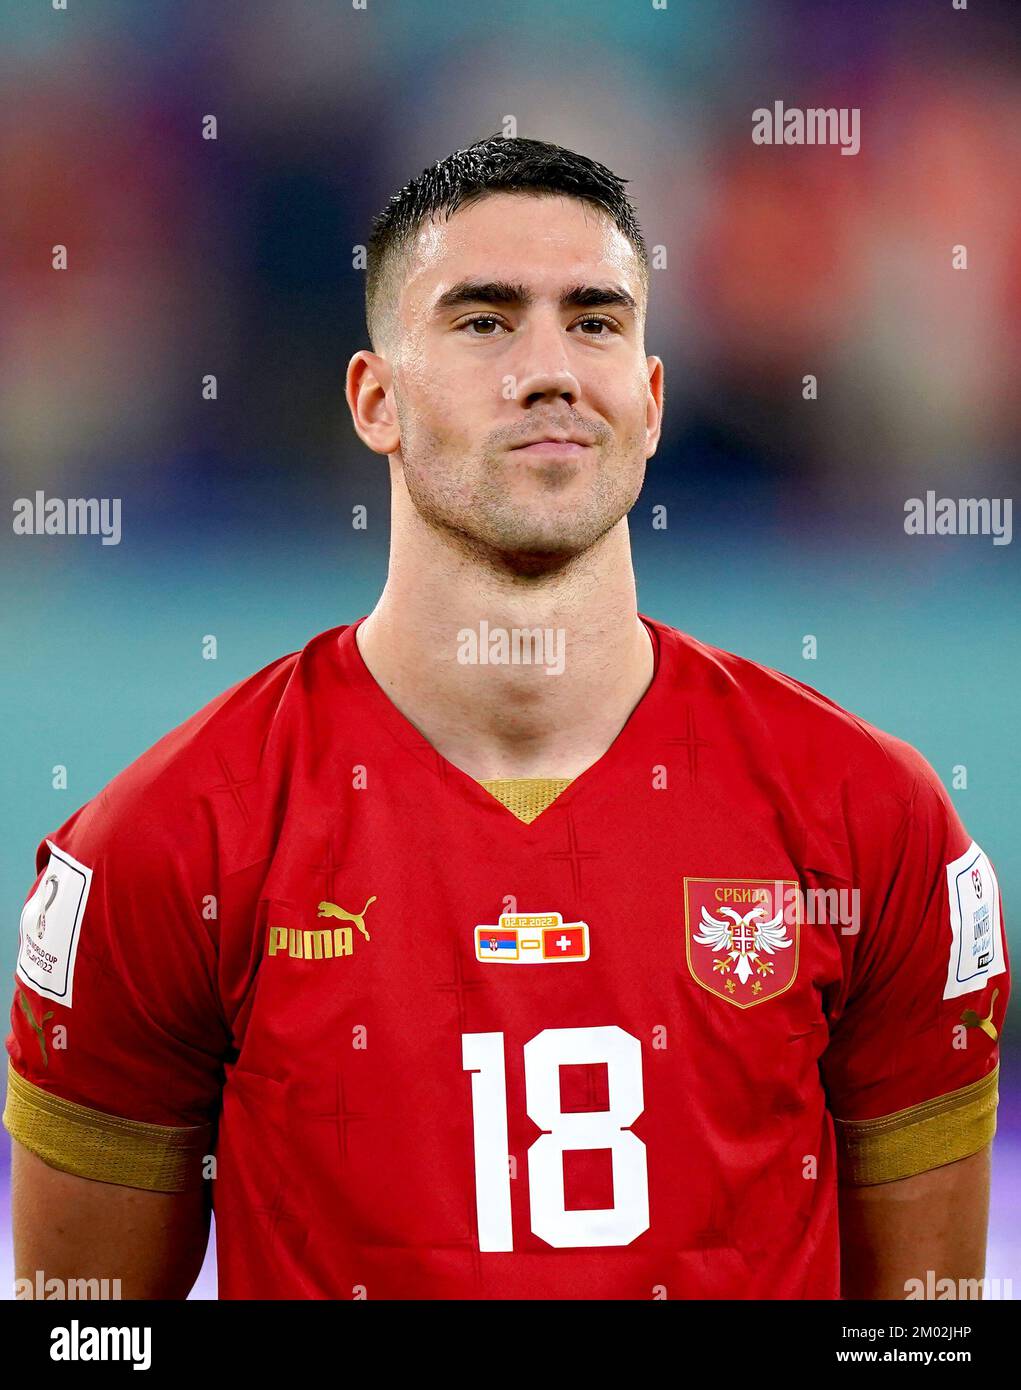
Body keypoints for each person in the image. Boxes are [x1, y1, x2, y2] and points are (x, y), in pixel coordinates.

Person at [6, 136, 1009, 1300]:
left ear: (650, 396)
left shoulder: (870, 819)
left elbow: (926, 1330)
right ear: (375, 399)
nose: (550, 370)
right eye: (483, 321)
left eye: (593, 321)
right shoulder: (166, 844)